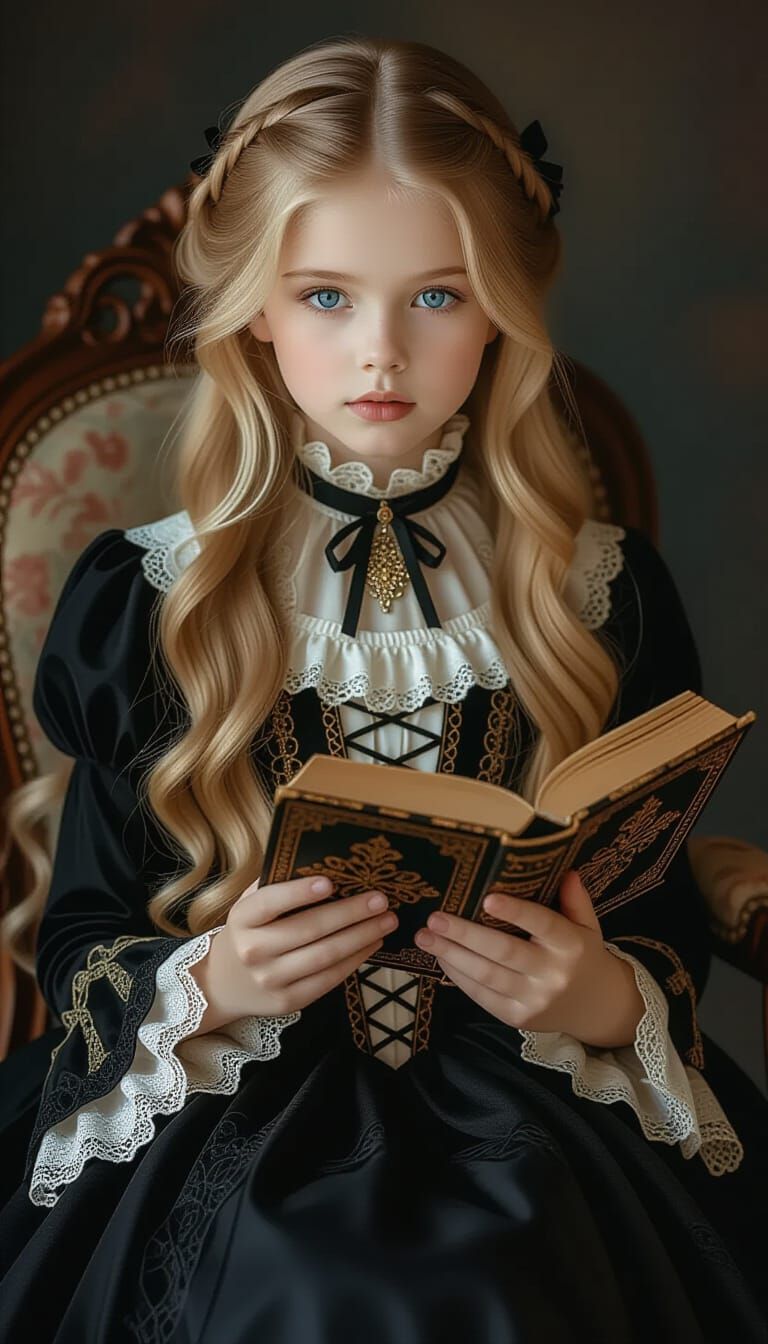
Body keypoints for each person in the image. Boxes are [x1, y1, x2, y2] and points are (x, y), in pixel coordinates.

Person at [1, 32, 766, 1344]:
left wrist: (601, 998)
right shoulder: (143, 599)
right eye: (325, 297)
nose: (381, 357)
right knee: (308, 1286)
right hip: (233, 1099)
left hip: (532, 1090)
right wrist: (213, 980)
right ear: (252, 305)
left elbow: (659, 920)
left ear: (505, 309)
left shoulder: (603, 590)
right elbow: (80, 932)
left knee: (519, 1272)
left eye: (436, 296)